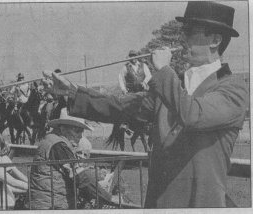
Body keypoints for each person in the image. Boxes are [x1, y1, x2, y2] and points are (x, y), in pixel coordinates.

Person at [42, 1, 247, 208]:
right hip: (159, 203)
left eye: (190, 31)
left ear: (215, 40)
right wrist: (72, 91)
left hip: (202, 205)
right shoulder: (173, 85)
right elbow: (120, 106)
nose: (182, 37)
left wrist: (165, 72)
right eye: (183, 31)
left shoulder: (232, 88)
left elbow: (193, 114)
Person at [29, 108, 117, 209]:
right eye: (77, 131)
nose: (80, 136)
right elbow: (80, 177)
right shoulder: (58, 145)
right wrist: (109, 198)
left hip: (47, 201)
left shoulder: (53, 140)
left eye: (82, 131)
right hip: (50, 205)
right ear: (62, 129)